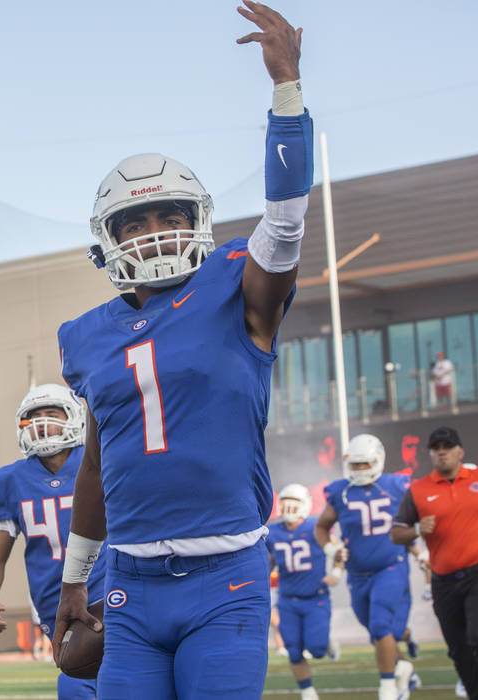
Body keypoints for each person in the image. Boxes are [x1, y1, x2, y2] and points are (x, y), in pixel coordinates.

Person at [53, 4, 312, 697]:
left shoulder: (237, 286)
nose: (156, 232)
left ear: (198, 221)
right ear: (109, 238)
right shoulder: (85, 335)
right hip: (129, 585)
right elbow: (98, 465)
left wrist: (286, 87)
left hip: (225, 576)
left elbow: (285, 225)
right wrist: (76, 575)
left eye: (170, 215)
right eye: (135, 221)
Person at [0, 383, 106, 700]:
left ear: (73, 418)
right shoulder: (10, 480)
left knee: (108, 679)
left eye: (51, 414)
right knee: (76, 678)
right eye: (33, 416)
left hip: (106, 586)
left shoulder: (96, 461)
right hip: (52, 599)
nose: (41, 423)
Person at [391, 427, 478, 700]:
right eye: (436, 447)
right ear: (430, 453)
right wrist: (417, 529)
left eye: (447, 446)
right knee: (458, 648)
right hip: (444, 580)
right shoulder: (418, 490)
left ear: (460, 451)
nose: (442, 451)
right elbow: (396, 532)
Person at [314, 434, 419, 700]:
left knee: (381, 625)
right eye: (355, 464)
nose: (360, 470)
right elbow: (322, 527)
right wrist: (331, 549)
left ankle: (387, 687)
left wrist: (419, 548)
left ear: (378, 460)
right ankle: (402, 665)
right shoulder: (341, 491)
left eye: (365, 464)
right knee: (375, 628)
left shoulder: (397, 485)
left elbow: (418, 518)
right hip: (358, 574)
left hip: (390, 567)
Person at [266, 484, 343, 700]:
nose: (289, 505)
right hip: (288, 599)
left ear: (305, 504)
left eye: (295, 500)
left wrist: (336, 573)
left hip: (315, 597)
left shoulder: (315, 527)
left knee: (316, 649)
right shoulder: (273, 532)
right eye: (285, 499)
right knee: (292, 648)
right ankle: (308, 692)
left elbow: (338, 551)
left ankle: (326, 643)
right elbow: (269, 564)